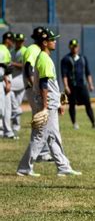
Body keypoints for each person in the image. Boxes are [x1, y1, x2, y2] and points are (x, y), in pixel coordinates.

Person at [17, 27, 81, 177]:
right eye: (52, 40)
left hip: (51, 101)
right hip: (47, 102)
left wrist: (58, 100)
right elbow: (44, 84)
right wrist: (45, 106)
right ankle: (24, 168)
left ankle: (63, 166)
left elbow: (49, 84)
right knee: (40, 136)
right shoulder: (44, 58)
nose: (55, 42)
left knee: (53, 135)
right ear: (45, 42)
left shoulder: (44, 57)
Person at [22, 27, 52, 161]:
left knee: (41, 121)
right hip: (34, 88)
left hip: (35, 87)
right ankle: (41, 153)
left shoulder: (37, 49)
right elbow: (28, 67)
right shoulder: (33, 49)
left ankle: (42, 152)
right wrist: (33, 84)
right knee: (41, 121)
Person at [60, 39, 95, 130]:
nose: (74, 48)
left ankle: (94, 123)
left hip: (82, 85)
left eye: (75, 46)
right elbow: (64, 74)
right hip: (72, 86)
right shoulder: (66, 59)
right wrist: (66, 86)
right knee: (72, 105)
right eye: (72, 47)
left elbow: (88, 72)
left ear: (78, 47)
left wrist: (90, 84)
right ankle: (74, 123)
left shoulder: (83, 58)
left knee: (88, 104)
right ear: (70, 47)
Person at [9, 33, 27, 135]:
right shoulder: (12, 51)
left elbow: (25, 66)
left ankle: (17, 109)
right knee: (16, 102)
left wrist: (13, 64)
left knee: (7, 88)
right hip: (15, 77)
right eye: (17, 40)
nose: (19, 42)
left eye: (21, 40)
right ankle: (16, 126)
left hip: (21, 78)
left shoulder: (24, 51)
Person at [0, 31, 15, 139]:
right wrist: (7, 82)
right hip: (3, 81)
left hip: (5, 80)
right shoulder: (2, 50)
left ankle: (7, 132)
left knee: (7, 108)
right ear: (7, 40)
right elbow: (1, 68)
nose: (13, 42)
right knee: (2, 108)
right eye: (12, 40)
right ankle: (4, 131)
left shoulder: (5, 50)